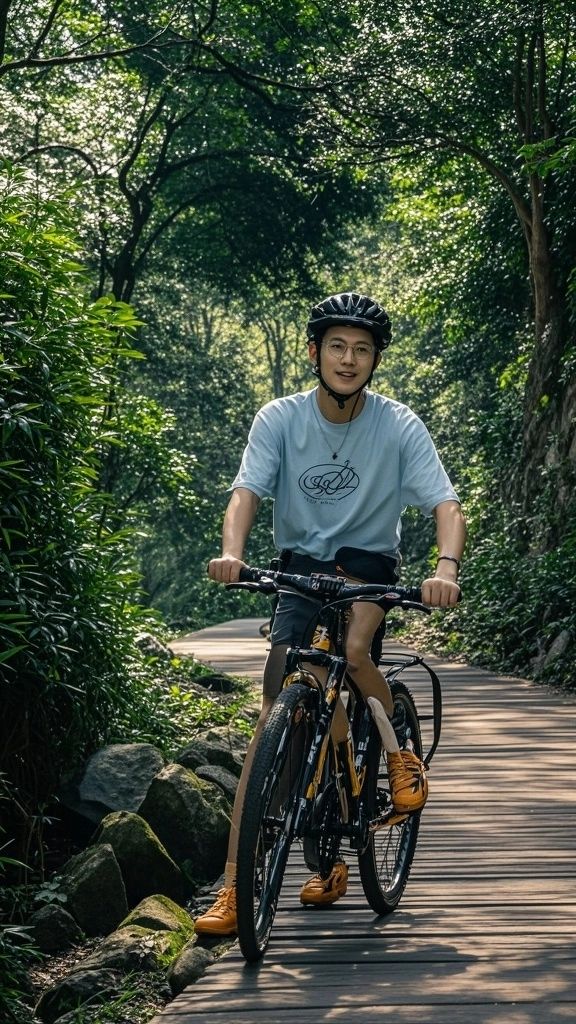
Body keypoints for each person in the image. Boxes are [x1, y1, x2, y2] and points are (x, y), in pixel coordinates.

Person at [195, 291, 466, 935]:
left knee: (351, 656)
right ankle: (238, 887)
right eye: (337, 347)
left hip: (368, 568)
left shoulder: (398, 425)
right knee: (275, 718)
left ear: (375, 361)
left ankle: (400, 759)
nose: (349, 359)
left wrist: (445, 569)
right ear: (315, 352)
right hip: (297, 568)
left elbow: (446, 507)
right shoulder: (280, 419)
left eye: (363, 349)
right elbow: (246, 494)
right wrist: (232, 553)